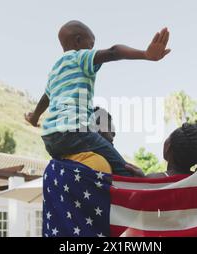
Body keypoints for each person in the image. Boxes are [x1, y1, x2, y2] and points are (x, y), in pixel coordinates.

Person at [25, 20, 171, 176]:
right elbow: (114, 51)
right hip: (74, 131)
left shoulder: (55, 70)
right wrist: (145, 55)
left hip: (51, 139)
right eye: (91, 44)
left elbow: (45, 98)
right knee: (126, 171)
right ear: (78, 40)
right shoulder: (80, 57)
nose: (92, 49)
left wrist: (34, 117)